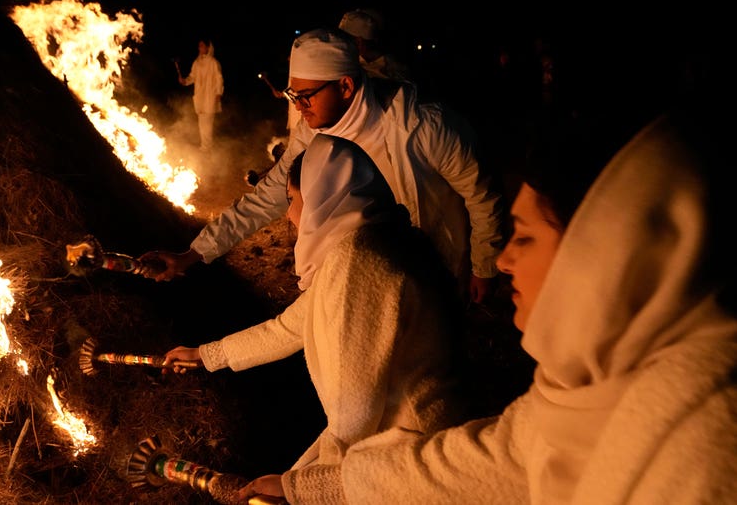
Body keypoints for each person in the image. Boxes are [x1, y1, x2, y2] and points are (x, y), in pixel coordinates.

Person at [239, 107, 737, 503]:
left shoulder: (703, 439)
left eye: (524, 238)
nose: (506, 261)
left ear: (603, 253)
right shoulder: (579, 386)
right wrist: (304, 485)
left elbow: (355, 419)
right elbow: (503, 458)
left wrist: (305, 483)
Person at [163, 133, 468, 470]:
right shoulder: (366, 243)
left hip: (412, 450)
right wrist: (205, 356)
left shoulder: (357, 261)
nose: (290, 214)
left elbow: (355, 408)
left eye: (293, 198)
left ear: (321, 197)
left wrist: (307, 485)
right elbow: (286, 330)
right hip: (401, 436)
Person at [141, 28, 505, 305]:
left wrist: (484, 266)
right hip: (369, 279)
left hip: (433, 271)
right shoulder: (310, 134)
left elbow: (481, 193)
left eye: (305, 95)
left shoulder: (420, 125)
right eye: (292, 95)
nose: (297, 106)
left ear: (345, 86)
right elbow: (267, 198)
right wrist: (192, 255)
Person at [337, 8, 413, 84]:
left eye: (347, 40)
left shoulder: (395, 70)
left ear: (359, 42)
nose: (343, 45)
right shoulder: (350, 63)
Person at [178, 36, 224, 152]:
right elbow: (192, 77)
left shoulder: (214, 63)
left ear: (208, 48)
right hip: (200, 97)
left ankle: (207, 147)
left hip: (210, 97)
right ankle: (204, 146)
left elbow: (219, 79)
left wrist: (218, 94)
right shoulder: (197, 63)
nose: (199, 48)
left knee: (207, 124)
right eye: (199, 46)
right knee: (201, 124)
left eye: (202, 46)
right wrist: (185, 81)